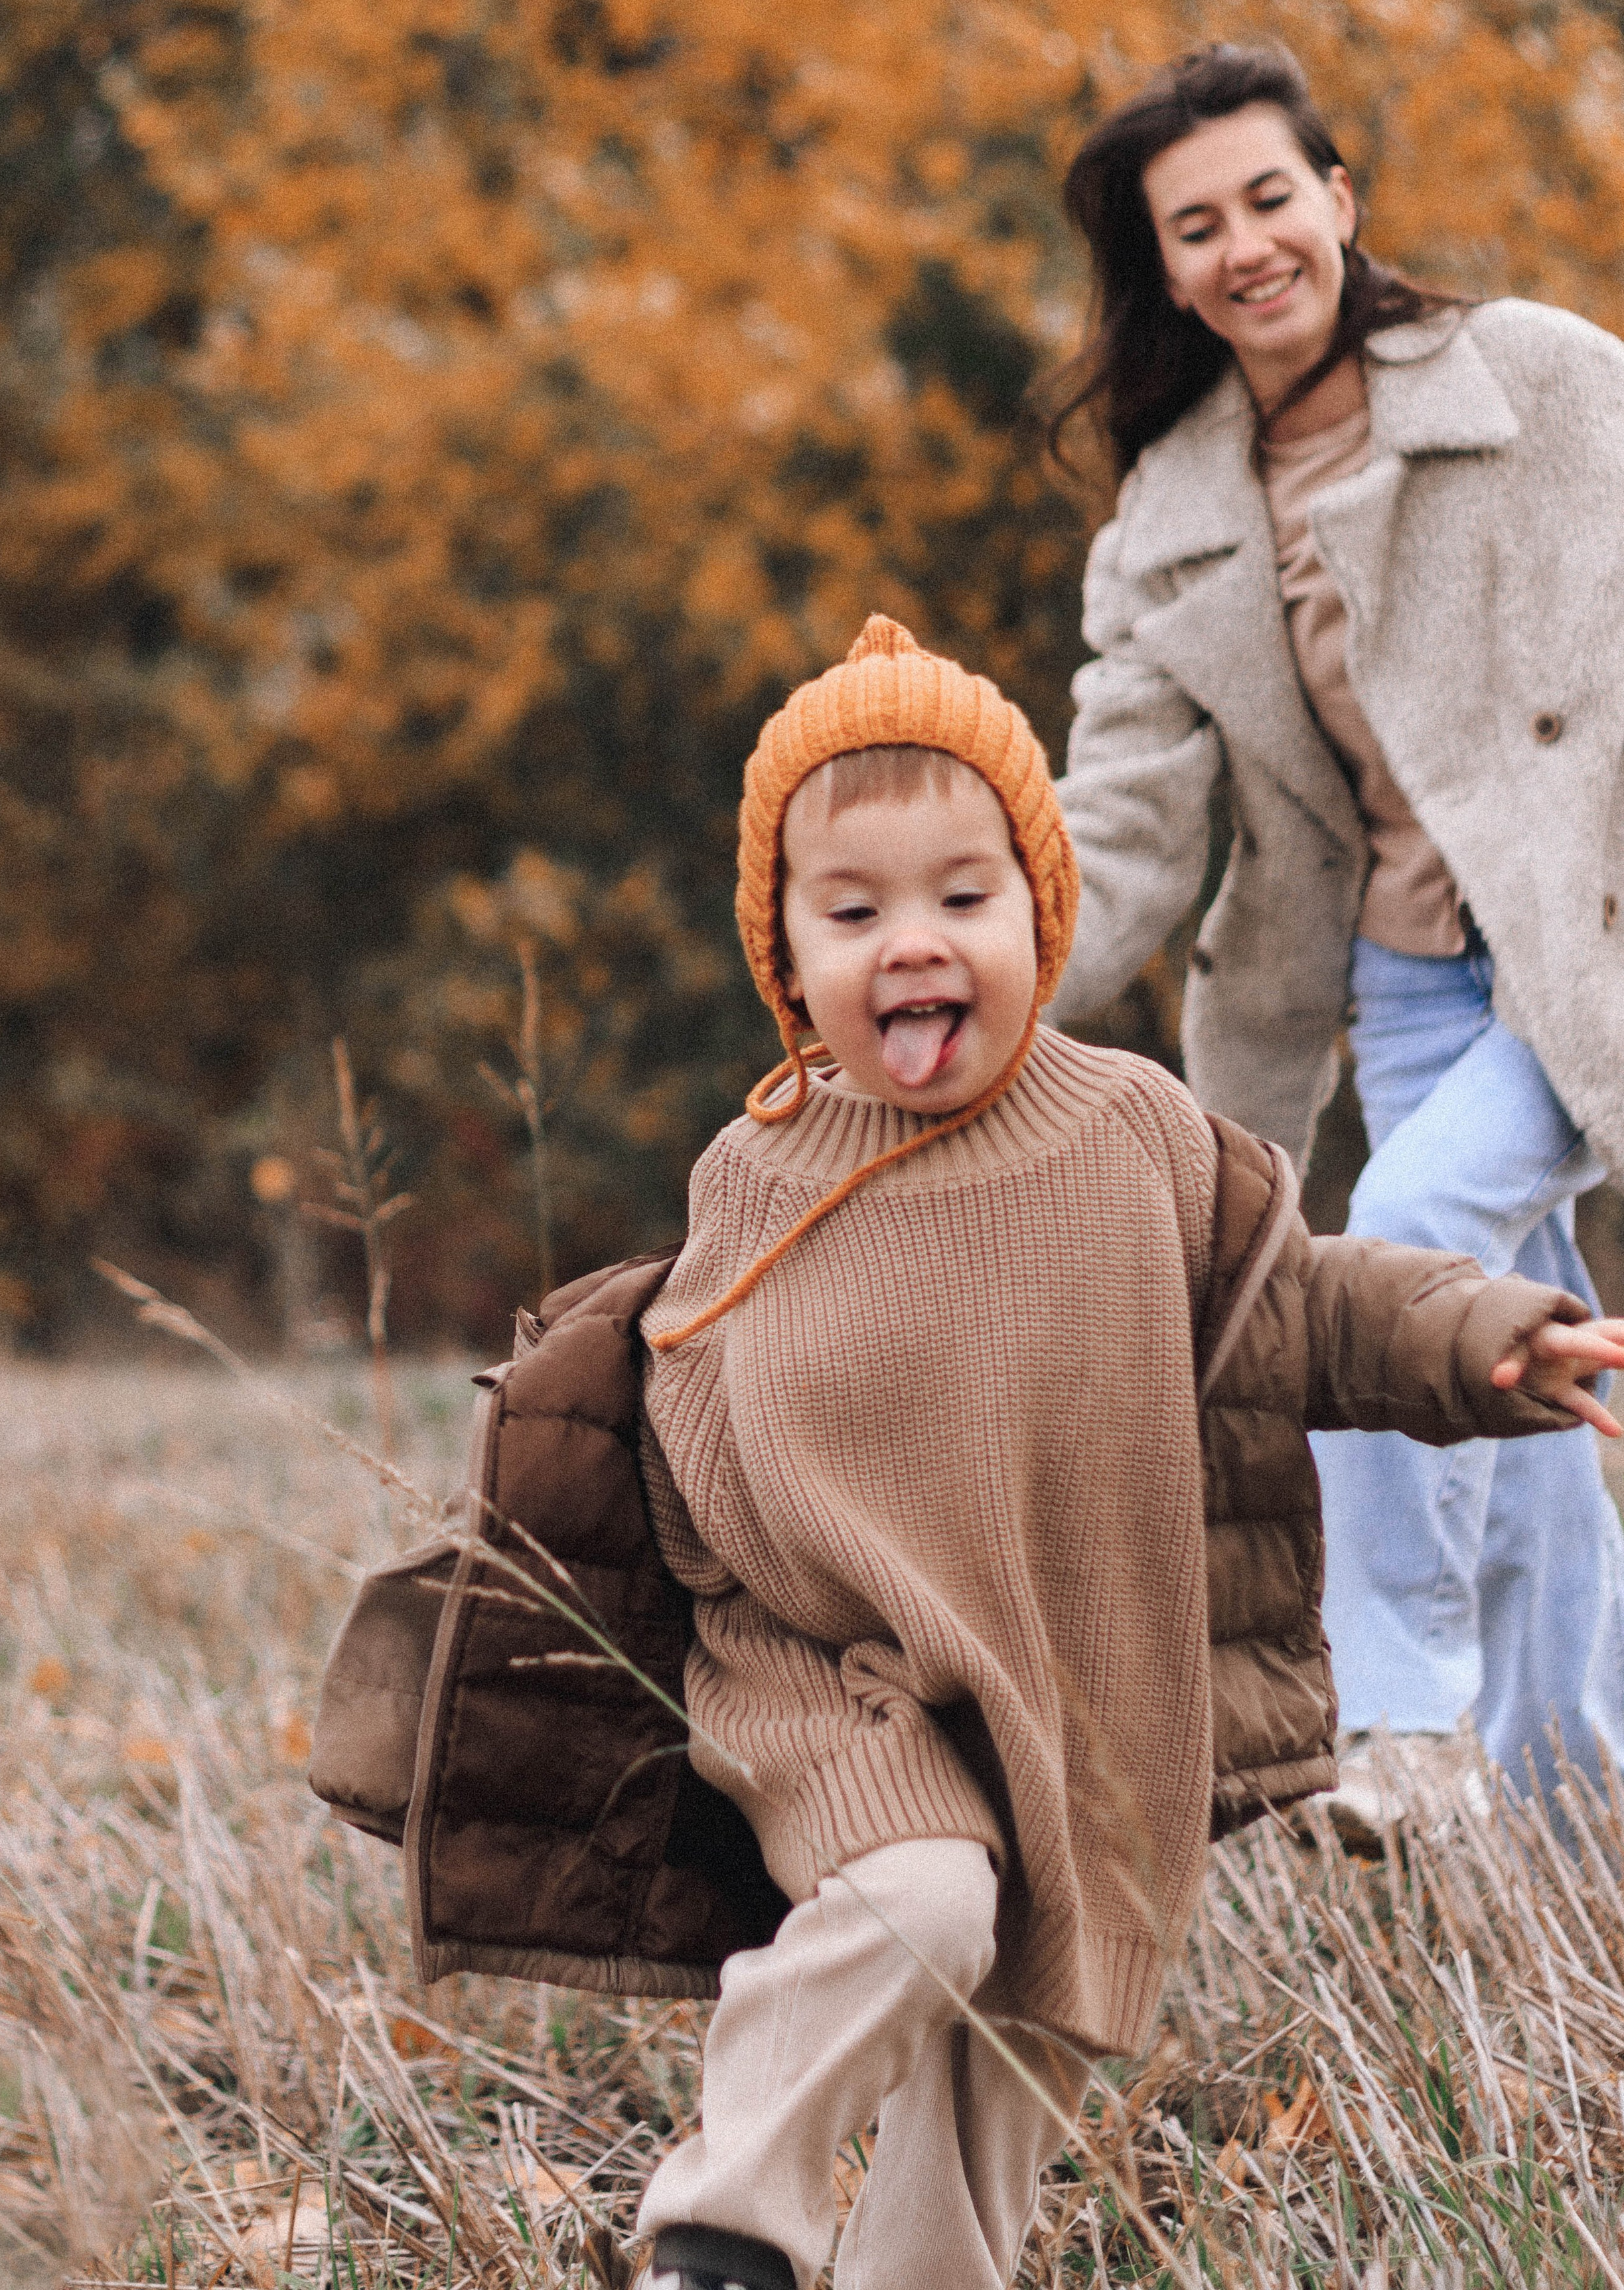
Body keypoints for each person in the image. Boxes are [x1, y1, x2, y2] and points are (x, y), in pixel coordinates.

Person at [629, 613, 1624, 2290]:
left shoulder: (1134, 1138)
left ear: (1043, 911)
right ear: (784, 955)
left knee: (1028, 2019)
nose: (912, 943)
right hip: (834, 1670)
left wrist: (1467, 1338)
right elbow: (694, 1422)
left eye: (962, 895)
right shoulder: (761, 1170)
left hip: (1082, 1686)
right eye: (852, 911)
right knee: (924, 1903)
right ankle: (723, 2233)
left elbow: (1292, 1308)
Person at [1041, 40, 1624, 1840]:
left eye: (1270, 198)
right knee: (1514, 1363)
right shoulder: (1172, 521)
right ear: (1168, 270)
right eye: (1194, 227)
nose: (1245, 247)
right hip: (1398, 974)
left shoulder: (1533, 376)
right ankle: (1573, 1802)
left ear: (1341, 199)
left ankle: (1405, 1720)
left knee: (1406, 1249)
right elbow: (1125, 818)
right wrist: (970, 994)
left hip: (1583, 931)